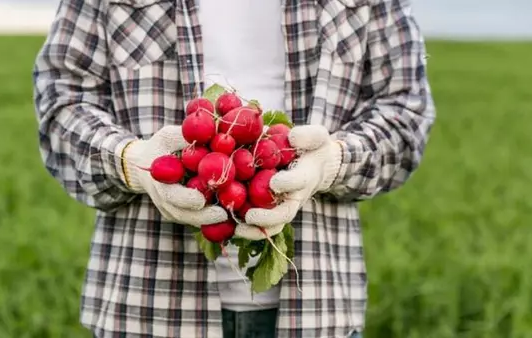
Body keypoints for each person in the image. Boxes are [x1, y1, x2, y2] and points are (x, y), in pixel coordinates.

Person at [32, 0, 435, 336]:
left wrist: (332, 163)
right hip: (146, 308)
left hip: (320, 313)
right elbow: (61, 103)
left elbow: (405, 112)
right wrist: (131, 163)